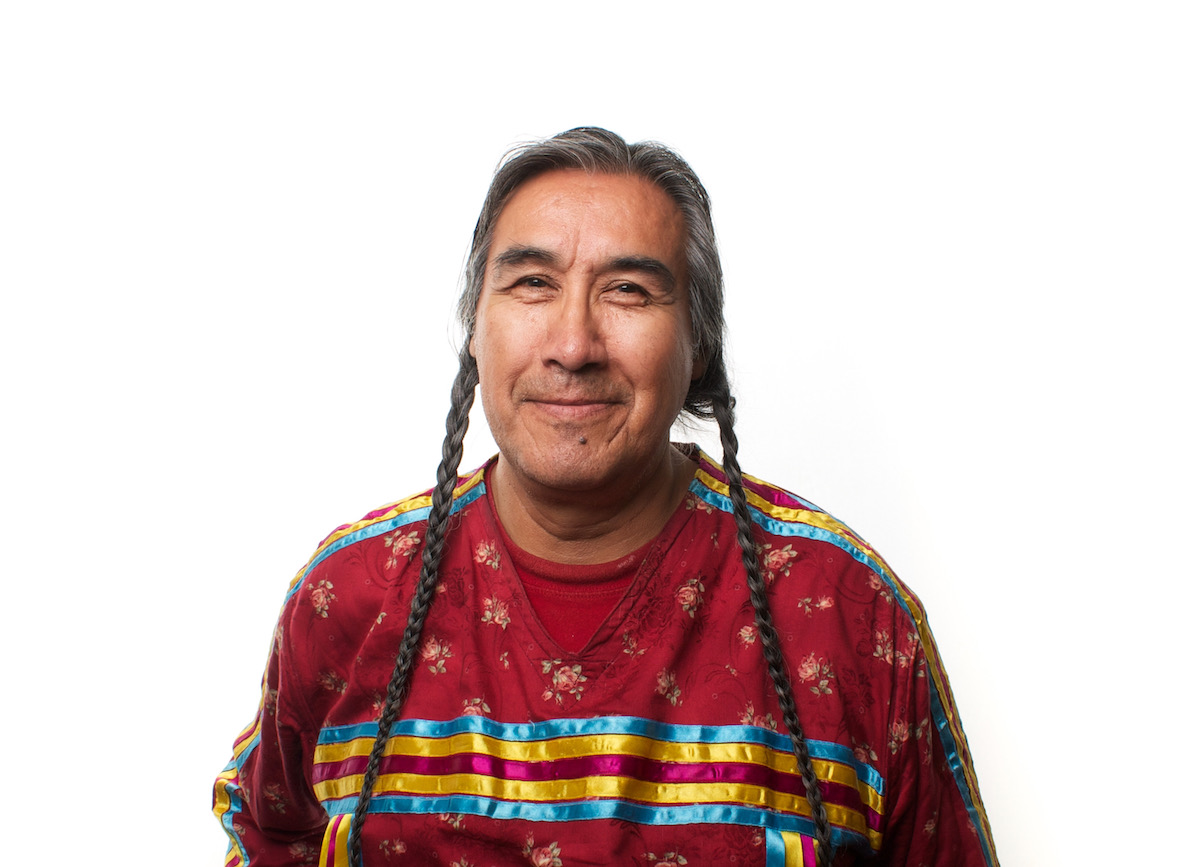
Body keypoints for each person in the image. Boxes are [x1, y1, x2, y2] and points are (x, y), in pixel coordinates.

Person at [214, 128, 998, 867]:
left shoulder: (848, 611)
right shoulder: (348, 596)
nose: (573, 344)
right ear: (475, 329)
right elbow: (265, 832)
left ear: (699, 347)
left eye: (627, 290)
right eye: (531, 284)